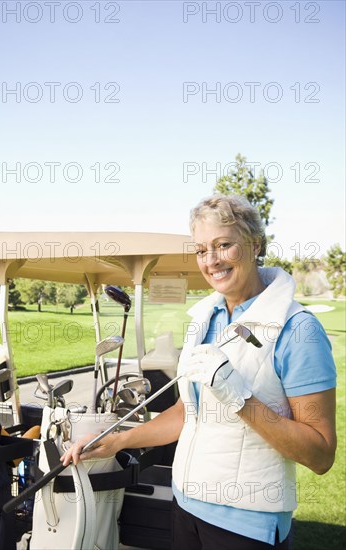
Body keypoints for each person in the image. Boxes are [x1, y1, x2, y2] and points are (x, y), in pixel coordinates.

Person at [61, 194, 337, 549]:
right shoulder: (206, 319)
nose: (211, 261)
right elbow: (186, 414)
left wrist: (239, 397)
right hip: (187, 507)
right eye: (201, 250)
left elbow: (320, 454)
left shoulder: (298, 330)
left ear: (255, 246)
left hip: (246, 525)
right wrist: (114, 442)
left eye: (224, 245)